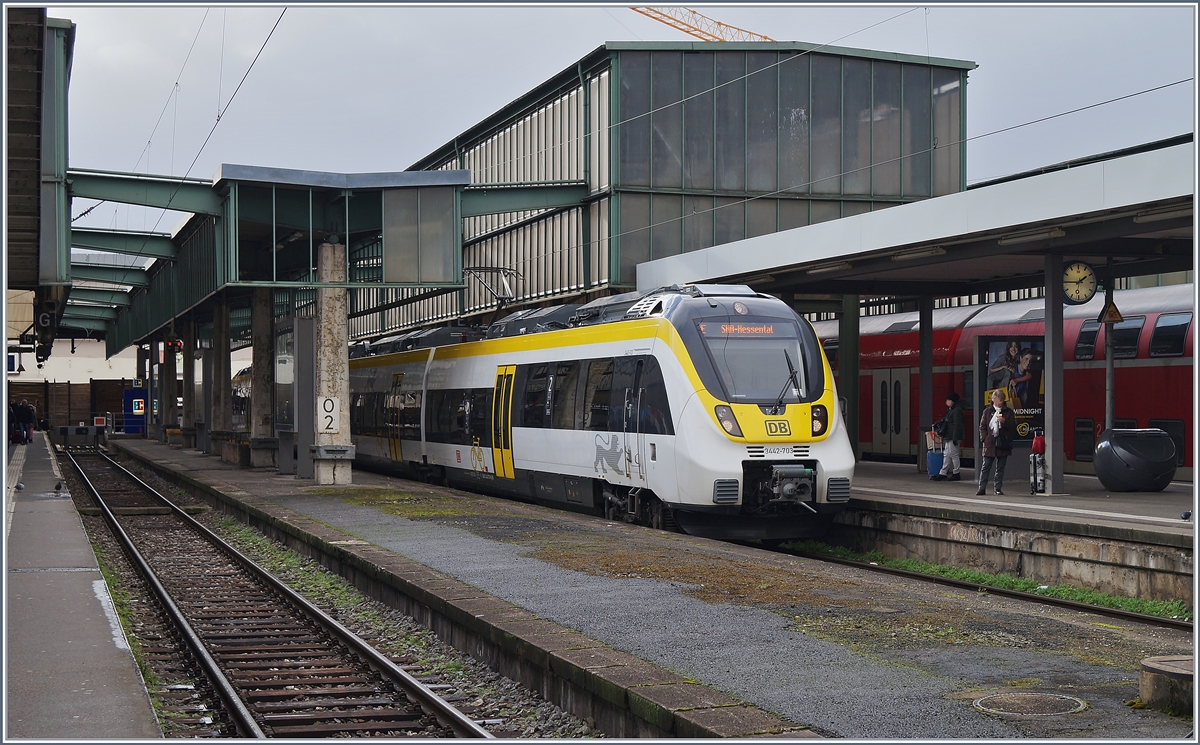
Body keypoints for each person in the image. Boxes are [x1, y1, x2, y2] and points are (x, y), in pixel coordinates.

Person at [977, 389, 1017, 495]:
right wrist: (984, 439)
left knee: (1000, 468)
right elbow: (982, 426)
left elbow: (1013, 426)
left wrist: (1004, 422)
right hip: (990, 442)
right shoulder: (987, 411)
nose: (998, 403)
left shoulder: (1008, 412)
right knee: (986, 466)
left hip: (1003, 442)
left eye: (1000, 401)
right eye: (996, 400)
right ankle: (982, 487)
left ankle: (997, 488)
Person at [930, 392, 966, 481]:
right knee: (947, 454)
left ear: (952, 401)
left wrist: (955, 437)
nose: (946, 402)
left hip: (953, 436)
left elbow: (957, 425)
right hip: (950, 436)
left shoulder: (956, 410)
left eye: (948, 400)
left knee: (953, 454)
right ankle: (943, 472)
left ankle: (956, 473)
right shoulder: (952, 409)